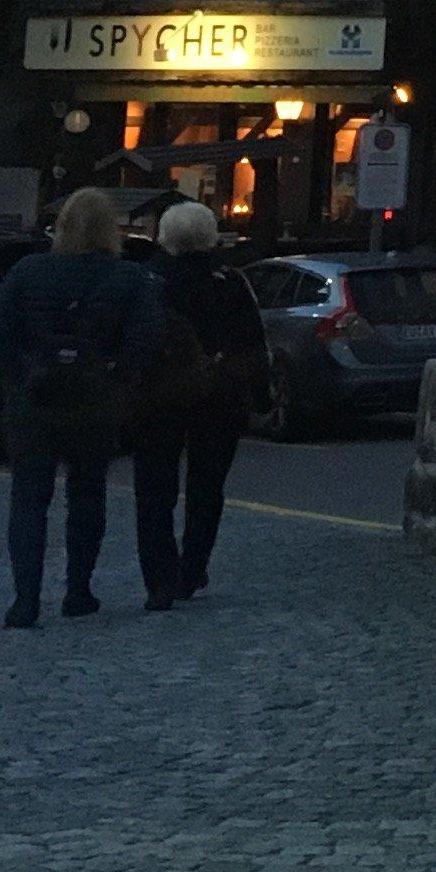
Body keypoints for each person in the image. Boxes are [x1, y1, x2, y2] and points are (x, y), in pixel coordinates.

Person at [0, 186, 166, 627]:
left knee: (29, 498)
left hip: (36, 397)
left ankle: (26, 598)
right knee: (87, 493)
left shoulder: (29, 271)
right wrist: (118, 377)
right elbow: (148, 335)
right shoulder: (127, 277)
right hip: (94, 399)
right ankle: (78, 589)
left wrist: (21, 373)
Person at [133, 201, 265, 610]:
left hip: (160, 395)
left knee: (154, 489)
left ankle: (159, 579)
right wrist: (260, 394)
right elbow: (253, 340)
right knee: (207, 487)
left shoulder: (148, 281)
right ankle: (192, 568)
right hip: (220, 394)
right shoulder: (229, 281)